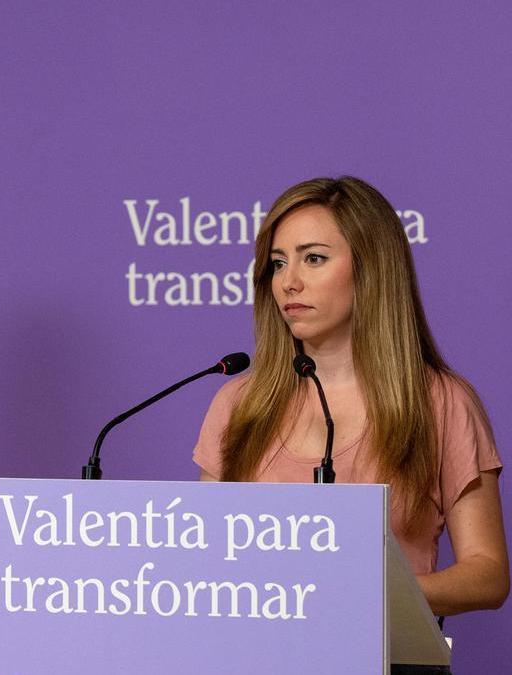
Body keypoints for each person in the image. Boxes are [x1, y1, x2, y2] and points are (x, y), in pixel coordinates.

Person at [193, 176, 507, 671]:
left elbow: (487, 576)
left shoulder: (441, 402)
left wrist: (366, 598)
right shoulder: (238, 404)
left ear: (372, 270)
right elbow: (203, 562)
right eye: (278, 263)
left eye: (313, 258)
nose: (288, 281)